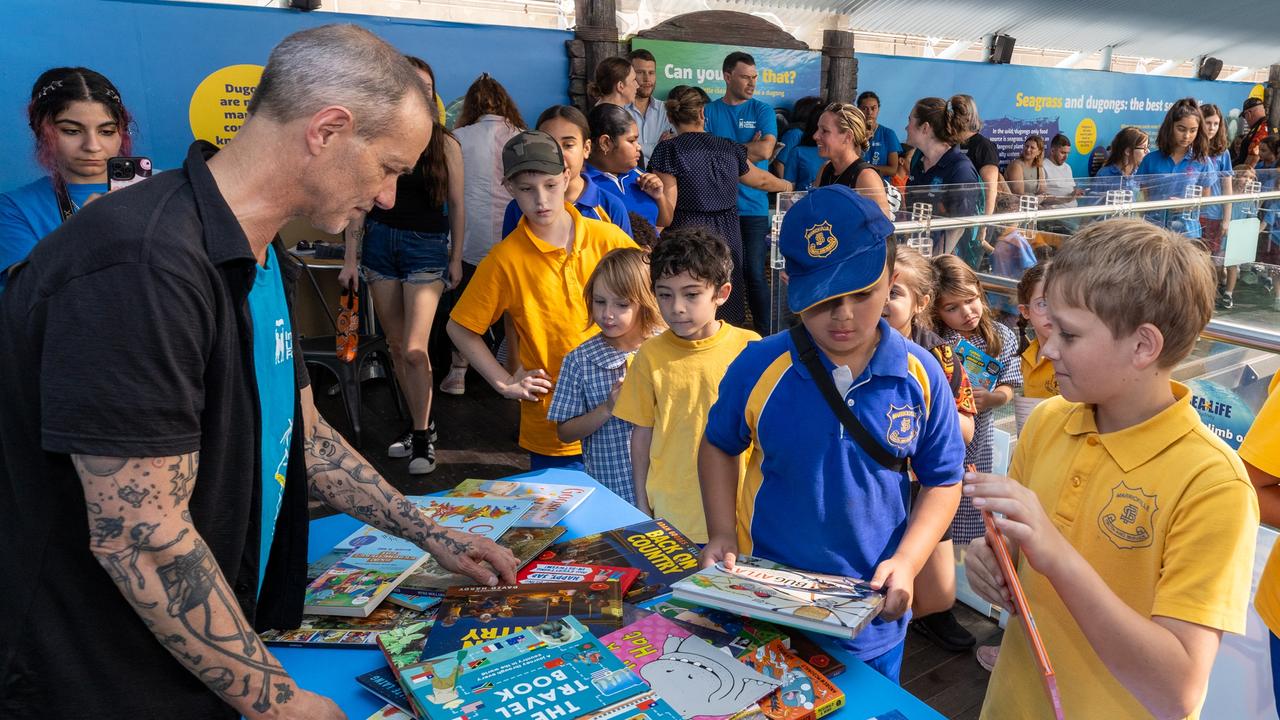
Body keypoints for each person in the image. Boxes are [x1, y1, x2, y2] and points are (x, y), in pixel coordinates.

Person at [0, 24, 518, 720]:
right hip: (97, 676)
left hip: (197, 650)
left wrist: (432, 533)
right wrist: (277, 703)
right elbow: (140, 537)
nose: (390, 196)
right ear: (328, 130)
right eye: (389, 167)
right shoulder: (142, 266)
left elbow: (304, 433)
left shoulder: (259, 249)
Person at [966, 218, 1258, 719]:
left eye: (1071, 335)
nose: (1049, 347)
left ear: (1144, 346)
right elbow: (1015, 554)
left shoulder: (1213, 485)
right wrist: (991, 559)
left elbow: (1178, 690)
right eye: (1050, 326)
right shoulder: (1049, 423)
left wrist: (1055, 553)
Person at [699, 186, 965, 682]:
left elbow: (944, 479)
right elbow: (718, 443)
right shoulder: (760, 364)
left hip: (872, 616)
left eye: (862, 293)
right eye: (822, 298)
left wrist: (908, 561)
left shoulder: (922, 374)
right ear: (790, 284)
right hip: (766, 605)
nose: (843, 315)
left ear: (892, 280)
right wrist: (720, 531)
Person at [447, 130, 636, 471]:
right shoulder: (505, 259)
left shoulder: (608, 238)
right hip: (553, 426)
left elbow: (649, 303)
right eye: (526, 189)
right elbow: (460, 327)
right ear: (508, 188)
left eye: (550, 185)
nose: (541, 200)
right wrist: (504, 381)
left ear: (567, 176)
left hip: (625, 417)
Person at [338, 56, 461, 475]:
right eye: (412, 86)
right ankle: (417, 425)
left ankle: (425, 437)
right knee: (394, 347)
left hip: (426, 248)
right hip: (380, 246)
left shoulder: (445, 143)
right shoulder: (378, 140)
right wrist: (350, 257)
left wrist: (456, 257)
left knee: (414, 348)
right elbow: (362, 201)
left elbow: (459, 206)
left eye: (427, 88)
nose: (421, 94)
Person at [612, 226, 760, 543]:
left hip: (740, 515)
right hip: (671, 513)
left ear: (722, 293)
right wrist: (641, 501)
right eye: (665, 294)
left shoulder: (751, 348)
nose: (677, 307)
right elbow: (642, 433)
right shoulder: (649, 355)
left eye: (691, 294)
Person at [882, 244, 978, 654]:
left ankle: (911, 618)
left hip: (926, 485)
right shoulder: (850, 343)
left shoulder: (940, 353)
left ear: (921, 301)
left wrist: (922, 408)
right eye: (875, 289)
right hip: (876, 482)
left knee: (939, 597)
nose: (881, 301)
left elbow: (968, 427)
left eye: (894, 292)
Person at [648, 85, 791, 328]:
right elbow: (762, 180)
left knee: (689, 293)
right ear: (703, 114)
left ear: (670, 117)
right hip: (727, 233)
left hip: (686, 234)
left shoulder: (668, 150)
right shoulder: (728, 147)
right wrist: (789, 187)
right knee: (725, 294)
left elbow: (668, 215)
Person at [0, 67, 132, 293]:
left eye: (107, 131)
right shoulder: (14, 208)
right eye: (72, 131)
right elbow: (26, 297)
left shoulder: (163, 189)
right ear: (42, 131)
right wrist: (82, 232)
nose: (92, 146)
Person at [548, 248, 663, 505]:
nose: (607, 313)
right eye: (600, 301)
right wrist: (607, 408)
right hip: (611, 493)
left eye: (621, 304)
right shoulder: (579, 360)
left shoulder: (665, 348)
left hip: (666, 493)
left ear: (645, 300)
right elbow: (565, 432)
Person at [444, 73, 526, 396]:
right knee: (513, 308)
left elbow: (451, 196)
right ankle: (513, 368)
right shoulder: (521, 136)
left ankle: (458, 371)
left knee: (466, 304)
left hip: (469, 235)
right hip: (513, 233)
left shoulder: (458, 136)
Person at [932, 254, 1021, 550]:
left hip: (979, 439)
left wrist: (994, 398)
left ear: (980, 292)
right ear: (936, 310)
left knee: (973, 505)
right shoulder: (935, 341)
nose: (966, 312)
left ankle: (962, 573)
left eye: (971, 300)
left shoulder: (1002, 336)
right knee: (938, 503)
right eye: (952, 308)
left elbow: (1011, 383)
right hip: (945, 437)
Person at [703, 51, 779, 335]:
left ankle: (768, 335)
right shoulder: (709, 111)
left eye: (755, 77)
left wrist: (721, 148)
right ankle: (725, 334)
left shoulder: (762, 110)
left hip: (754, 209)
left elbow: (766, 150)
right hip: (719, 209)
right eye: (745, 77)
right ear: (727, 77)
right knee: (721, 274)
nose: (752, 83)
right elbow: (703, 153)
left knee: (756, 275)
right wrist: (745, 146)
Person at [501, 105, 632, 239]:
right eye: (548, 146)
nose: (557, 154)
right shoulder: (518, 208)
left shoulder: (610, 206)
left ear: (586, 148)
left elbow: (627, 258)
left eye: (568, 145)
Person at [904, 96, 981, 256]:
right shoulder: (918, 162)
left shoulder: (960, 168)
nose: (906, 127)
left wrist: (933, 263)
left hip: (948, 263)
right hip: (919, 254)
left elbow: (958, 227)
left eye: (910, 120)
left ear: (925, 128)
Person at [585, 102, 673, 228]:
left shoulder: (639, 175)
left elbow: (665, 221)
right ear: (605, 143)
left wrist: (659, 197)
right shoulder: (583, 184)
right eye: (631, 141)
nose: (638, 147)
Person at [1137, 97, 1211, 240]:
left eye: (1193, 130)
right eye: (1181, 129)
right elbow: (1141, 199)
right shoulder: (1150, 160)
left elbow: (1206, 200)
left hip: (1187, 233)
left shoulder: (1202, 161)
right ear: (1170, 127)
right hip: (1154, 231)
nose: (1187, 136)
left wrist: (1187, 206)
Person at [813, 102, 893, 218]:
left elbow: (882, 231)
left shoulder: (866, 177)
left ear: (848, 137)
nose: (815, 136)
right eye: (817, 129)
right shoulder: (825, 169)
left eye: (824, 131)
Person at [1200, 104, 1238, 309]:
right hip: (1192, 212)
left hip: (1213, 213)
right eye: (1208, 123)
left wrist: (1226, 218)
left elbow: (1227, 187)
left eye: (1216, 123)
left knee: (1211, 258)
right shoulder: (1191, 150)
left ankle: (1209, 294)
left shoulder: (1223, 154)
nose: (1212, 127)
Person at [1012, 262, 1057, 434]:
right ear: (1025, 311)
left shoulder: (1076, 358)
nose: (1053, 312)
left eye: (1061, 302)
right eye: (1043, 304)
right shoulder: (1027, 355)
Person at [625, 49, 674, 166]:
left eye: (651, 73)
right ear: (629, 75)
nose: (647, 79)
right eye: (640, 72)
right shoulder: (620, 111)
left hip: (661, 180)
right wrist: (658, 146)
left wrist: (636, 146)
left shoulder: (667, 110)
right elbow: (621, 152)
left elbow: (672, 150)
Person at [1085, 127, 1147, 205]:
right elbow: (1091, 207)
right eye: (1144, 148)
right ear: (1128, 151)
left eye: (1147, 147)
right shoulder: (1104, 175)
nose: (1147, 151)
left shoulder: (1141, 174)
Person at [772, 95, 822, 178]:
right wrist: (787, 187)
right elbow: (779, 163)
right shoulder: (795, 133)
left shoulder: (814, 132)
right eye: (817, 110)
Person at [857, 91, 902, 179]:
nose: (869, 112)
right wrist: (862, 141)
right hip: (855, 186)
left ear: (878, 109)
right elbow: (847, 162)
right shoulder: (852, 133)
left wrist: (866, 169)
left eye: (874, 108)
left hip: (880, 187)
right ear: (858, 109)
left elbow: (893, 170)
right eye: (865, 108)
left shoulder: (888, 134)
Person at [780, 106, 823, 191]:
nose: (816, 136)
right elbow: (788, 190)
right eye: (821, 130)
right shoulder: (798, 151)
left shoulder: (843, 155)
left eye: (826, 131)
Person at [1232, 96, 1268, 167]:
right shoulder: (1259, 126)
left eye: (1244, 116)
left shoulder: (1262, 128)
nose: (1246, 119)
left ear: (1248, 114)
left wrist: (1241, 175)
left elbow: (1254, 156)